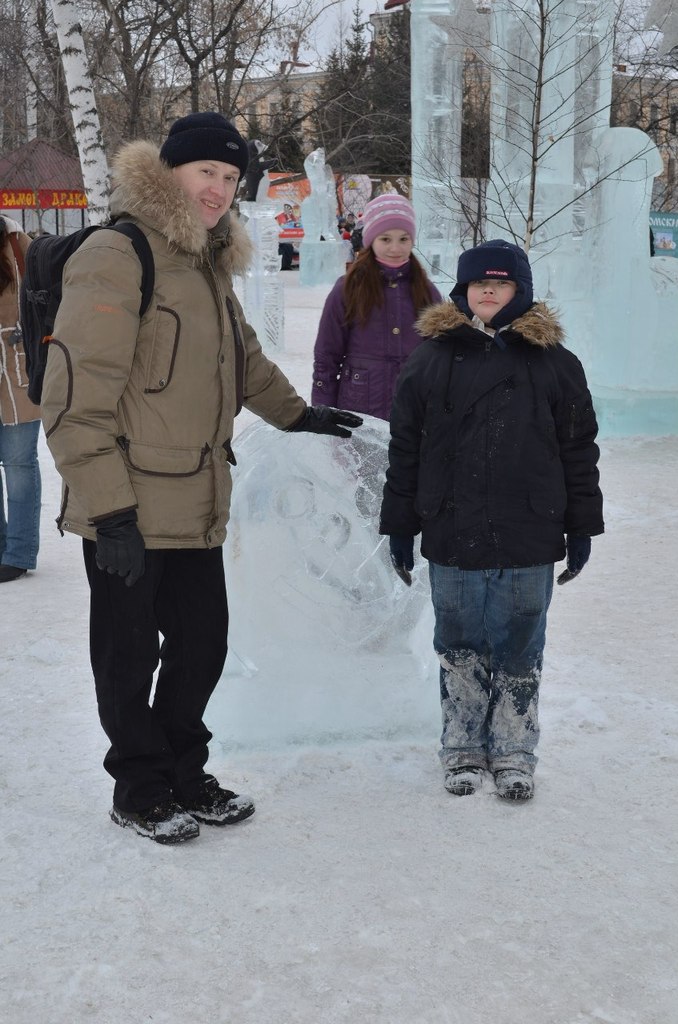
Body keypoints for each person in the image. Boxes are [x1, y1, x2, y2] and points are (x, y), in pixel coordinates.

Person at [40, 112, 362, 845]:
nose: (218, 189)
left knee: (202, 646)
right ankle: (141, 785)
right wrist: (110, 512)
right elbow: (74, 398)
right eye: (205, 173)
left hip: (194, 496)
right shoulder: (118, 256)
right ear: (170, 172)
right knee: (128, 658)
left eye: (229, 177)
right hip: (124, 504)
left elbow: (241, 358)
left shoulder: (206, 261)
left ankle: (186, 772)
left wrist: (298, 415)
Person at [379, 239, 604, 802]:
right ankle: (461, 748)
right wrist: (401, 524)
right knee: (458, 643)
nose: (487, 291)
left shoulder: (556, 363)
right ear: (461, 290)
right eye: (478, 283)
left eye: (499, 284)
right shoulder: (430, 358)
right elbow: (405, 447)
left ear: (520, 292)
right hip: (452, 530)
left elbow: (579, 449)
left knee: (520, 646)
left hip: (530, 529)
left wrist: (581, 526)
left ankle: (513, 750)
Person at [311, 195, 442, 420]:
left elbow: (440, 360)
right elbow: (327, 357)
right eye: (385, 239)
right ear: (371, 240)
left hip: (413, 412)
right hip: (359, 410)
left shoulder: (427, 291)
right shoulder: (348, 288)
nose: (395, 248)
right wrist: (324, 413)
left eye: (403, 239)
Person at [0, 215, 41, 584]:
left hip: (17, 371)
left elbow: (43, 293)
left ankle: (18, 552)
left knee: (18, 464)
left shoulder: (16, 242)